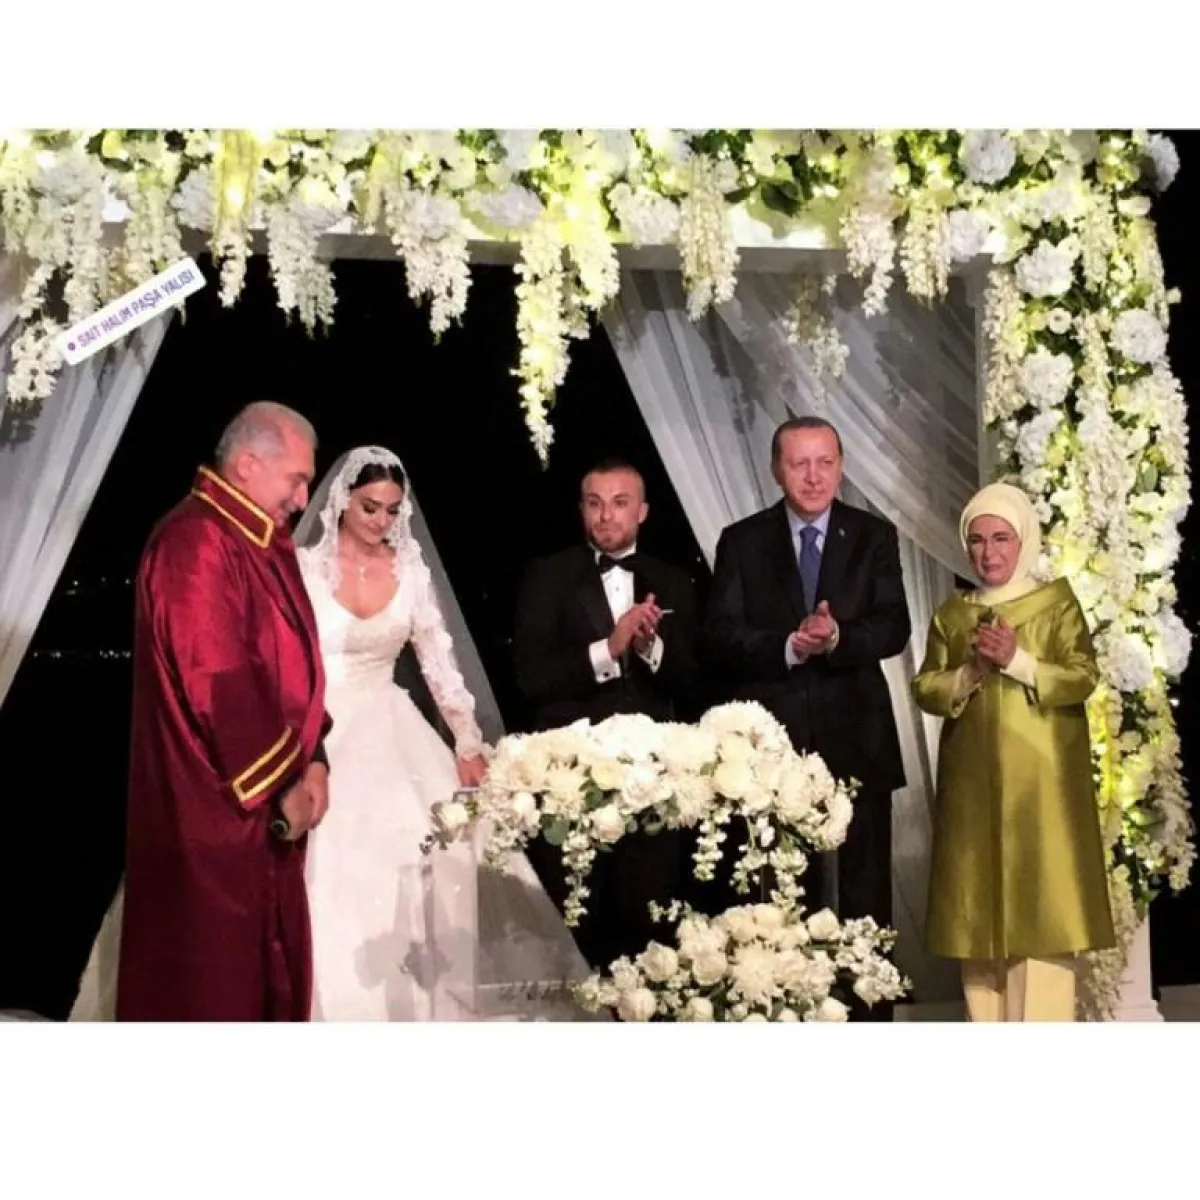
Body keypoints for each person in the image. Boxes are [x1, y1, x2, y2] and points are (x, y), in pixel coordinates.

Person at [293, 446, 591, 1020]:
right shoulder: (304, 568)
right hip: (319, 731)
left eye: (391, 511)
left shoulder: (409, 572)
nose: (380, 522)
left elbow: (440, 666)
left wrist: (466, 741)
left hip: (391, 728)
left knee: (428, 853)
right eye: (369, 507)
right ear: (342, 501)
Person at [71, 401, 333, 1021]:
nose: (303, 499)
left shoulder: (256, 539)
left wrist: (316, 756)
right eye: (296, 480)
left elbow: (292, 664)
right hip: (211, 814)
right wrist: (285, 787)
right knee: (208, 985)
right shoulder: (195, 541)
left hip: (255, 812)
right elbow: (218, 681)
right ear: (247, 466)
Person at [704, 416, 911, 1021]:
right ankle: (788, 1018)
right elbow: (719, 635)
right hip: (774, 747)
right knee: (781, 895)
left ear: (841, 467)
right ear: (776, 470)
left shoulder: (873, 536)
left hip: (859, 737)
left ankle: (869, 1021)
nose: (813, 476)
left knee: (866, 891)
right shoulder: (742, 541)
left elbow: (894, 626)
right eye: (799, 463)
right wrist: (790, 646)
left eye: (825, 462)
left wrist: (838, 637)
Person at [911, 482, 1115, 1021]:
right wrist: (973, 670)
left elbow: (1082, 676)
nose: (989, 552)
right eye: (977, 540)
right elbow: (926, 687)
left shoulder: (1054, 604)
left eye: (1001, 538)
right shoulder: (953, 615)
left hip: (1041, 786)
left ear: (1024, 540)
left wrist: (1019, 662)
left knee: (1041, 917)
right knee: (977, 923)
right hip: (972, 789)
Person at [512, 458, 701, 969]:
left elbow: (692, 678)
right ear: (581, 509)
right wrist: (608, 648)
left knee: (651, 926)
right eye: (594, 503)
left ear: (643, 511)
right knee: (578, 923)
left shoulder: (674, 580)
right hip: (572, 782)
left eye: (619, 503)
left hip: (653, 784)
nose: (605, 515)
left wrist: (648, 648)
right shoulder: (547, 575)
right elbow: (531, 676)